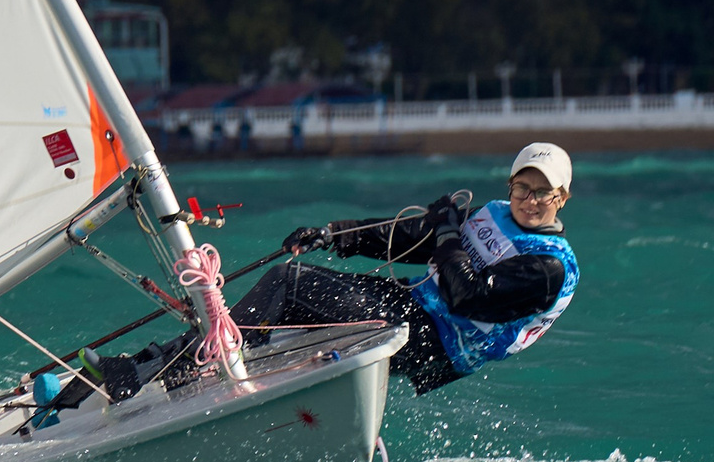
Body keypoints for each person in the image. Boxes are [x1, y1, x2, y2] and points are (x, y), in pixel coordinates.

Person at [102, 142, 576, 398]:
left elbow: (466, 297)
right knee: (289, 288)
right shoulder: (495, 212)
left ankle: (171, 367)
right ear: (510, 185)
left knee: (289, 287)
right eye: (522, 188)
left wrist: (449, 232)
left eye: (543, 193)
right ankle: (163, 362)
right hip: (413, 306)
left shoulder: (550, 267)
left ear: (562, 198)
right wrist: (336, 234)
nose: (529, 201)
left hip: (437, 342)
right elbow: (415, 238)